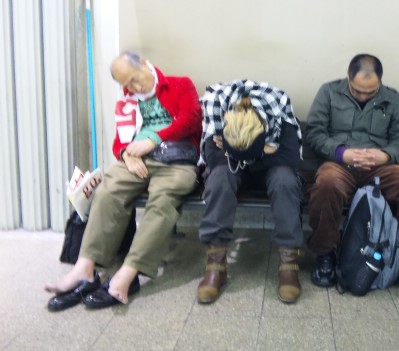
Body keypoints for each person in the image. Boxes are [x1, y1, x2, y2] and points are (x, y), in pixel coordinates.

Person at [45, 51, 202, 310]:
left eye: (135, 79)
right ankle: (85, 268)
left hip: (176, 161)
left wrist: (153, 140)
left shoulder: (179, 84)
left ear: (144, 64)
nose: (134, 87)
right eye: (127, 84)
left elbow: (192, 118)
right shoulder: (127, 100)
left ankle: (128, 274)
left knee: (163, 200)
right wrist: (125, 155)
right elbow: (119, 140)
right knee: (108, 190)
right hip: (136, 159)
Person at [306, 54, 399, 306]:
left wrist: (385, 155)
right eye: (357, 91)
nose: (363, 96)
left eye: (370, 92)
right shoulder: (328, 93)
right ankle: (326, 255)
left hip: (379, 168)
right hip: (340, 164)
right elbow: (315, 132)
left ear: (380, 83)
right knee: (326, 185)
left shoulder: (393, 99)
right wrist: (342, 153)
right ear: (348, 77)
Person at [197, 79, 304, 305]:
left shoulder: (278, 106)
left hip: (268, 167)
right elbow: (212, 156)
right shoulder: (216, 104)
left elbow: (292, 157)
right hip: (245, 163)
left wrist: (243, 155)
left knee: (285, 181)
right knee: (219, 178)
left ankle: (288, 263)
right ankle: (216, 264)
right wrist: (263, 153)